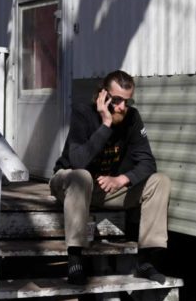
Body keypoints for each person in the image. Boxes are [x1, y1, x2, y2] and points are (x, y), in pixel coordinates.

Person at [50, 69, 171, 285]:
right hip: (70, 184)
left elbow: (148, 162)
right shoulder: (83, 113)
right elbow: (77, 161)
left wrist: (121, 179)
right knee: (81, 177)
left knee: (160, 181)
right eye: (116, 100)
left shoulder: (132, 118)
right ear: (102, 95)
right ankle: (75, 258)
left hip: (107, 189)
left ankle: (145, 260)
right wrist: (105, 124)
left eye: (127, 101)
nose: (122, 107)